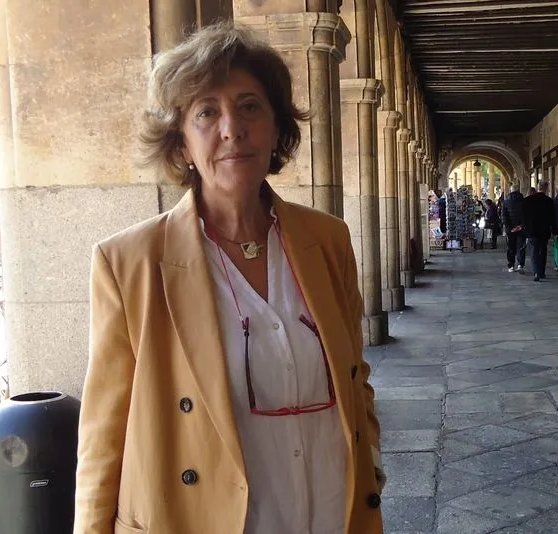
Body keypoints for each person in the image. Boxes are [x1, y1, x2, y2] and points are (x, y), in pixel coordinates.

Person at [73, 22, 384, 534]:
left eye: (249, 106)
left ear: (276, 128)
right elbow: (104, 433)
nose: (231, 129)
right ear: (181, 143)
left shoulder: (327, 240)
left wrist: (370, 458)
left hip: (333, 514)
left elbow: (355, 376)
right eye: (206, 112)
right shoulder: (128, 263)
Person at [522, 183, 556, 282]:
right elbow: (552, 218)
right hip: (544, 230)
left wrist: (526, 227)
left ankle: (536, 272)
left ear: (537, 188)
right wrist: (554, 230)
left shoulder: (527, 200)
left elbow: (523, 217)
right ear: (546, 189)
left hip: (532, 230)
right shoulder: (549, 201)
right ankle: (541, 272)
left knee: (534, 251)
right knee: (543, 250)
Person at [501, 183, 526, 272]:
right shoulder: (524, 201)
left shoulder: (505, 202)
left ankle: (511, 265)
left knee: (511, 247)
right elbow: (526, 215)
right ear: (518, 191)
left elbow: (504, 217)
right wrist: (521, 225)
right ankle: (520, 264)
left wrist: (509, 227)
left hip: (510, 229)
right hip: (521, 229)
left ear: (510, 191)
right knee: (521, 246)